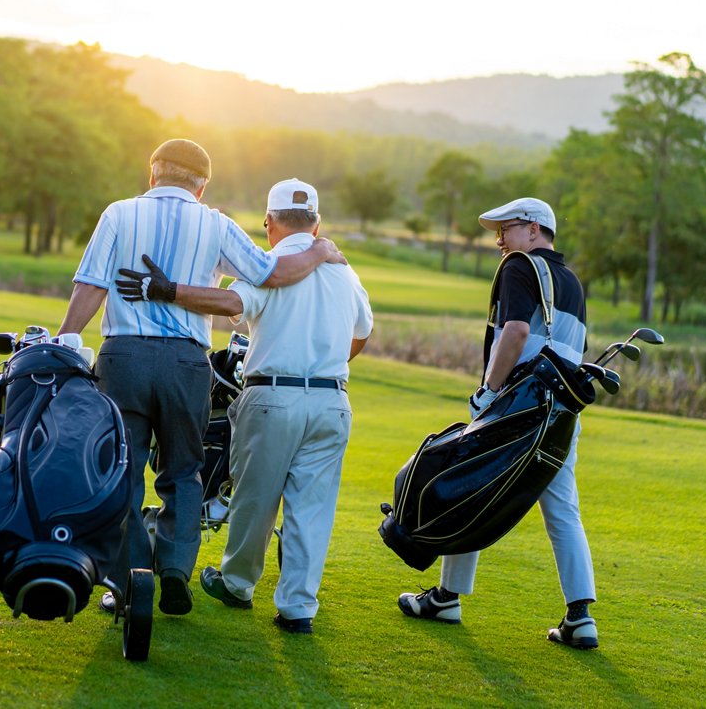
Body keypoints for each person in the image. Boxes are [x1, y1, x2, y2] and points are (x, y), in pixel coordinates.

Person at [58, 140, 342, 617]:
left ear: (153, 175)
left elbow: (91, 283)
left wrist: (66, 337)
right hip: (187, 364)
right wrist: (319, 252)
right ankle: (173, 569)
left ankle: (129, 584)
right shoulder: (215, 223)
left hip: (123, 358)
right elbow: (272, 273)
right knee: (183, 473)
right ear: (201, 185)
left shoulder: (119, 213)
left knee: (120, 473)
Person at [119, 178, 372, 635]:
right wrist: (330, 362)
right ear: (317, 224)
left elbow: (230, 302)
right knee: (312, 508)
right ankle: (298, 609)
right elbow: (362, 331)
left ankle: (236, 584)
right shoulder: (344, 271)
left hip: (272, 395)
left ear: (269, 223)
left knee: (256, 500)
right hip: (333, 400)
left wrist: (168, 290)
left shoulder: (268, 265)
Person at [396, 197, 599, 649]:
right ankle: (580, 616)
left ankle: (447, 599)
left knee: (471, 487)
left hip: (514, 408)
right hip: (560, 416)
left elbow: (516, 332)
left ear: (532, 230)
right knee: (563, 510)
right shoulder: (572, 281)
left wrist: (489, 390)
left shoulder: (519, 265)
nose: (499, 241)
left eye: (505, 230)